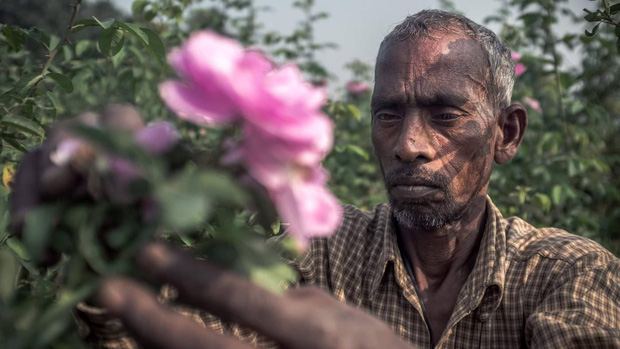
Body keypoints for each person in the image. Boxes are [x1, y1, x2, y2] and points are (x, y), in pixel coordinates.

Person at [11, 9, 620, 349]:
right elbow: (158, 333)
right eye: (389, 113)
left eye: (445, 114)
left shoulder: (568, 274)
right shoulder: (318, 255)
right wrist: (97, 239)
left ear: (507, 134)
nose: (409, 145)